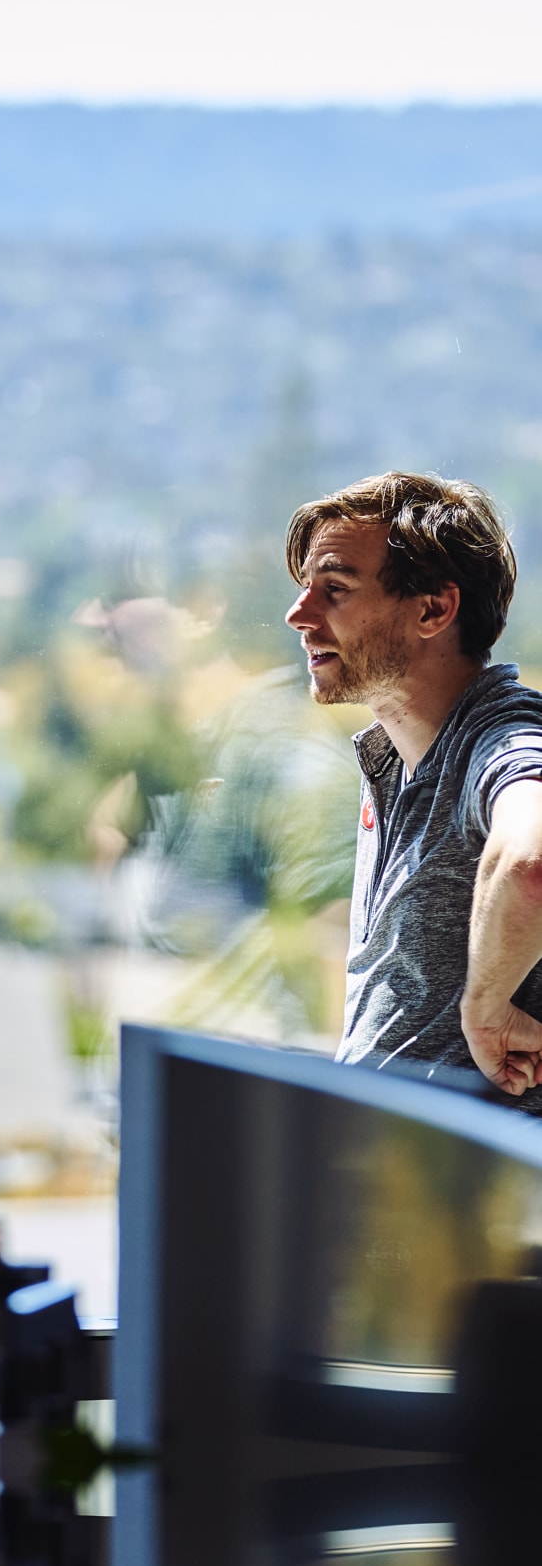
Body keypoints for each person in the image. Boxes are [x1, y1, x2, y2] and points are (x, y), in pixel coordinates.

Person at [284, 470, 542, 1103]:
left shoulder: (502, 736)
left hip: (476, 1193)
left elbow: (532, 860)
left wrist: (484, 1008)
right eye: (303, 590)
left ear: (433, 608)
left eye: (335, 589)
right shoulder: (396, 762)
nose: (298, 614)